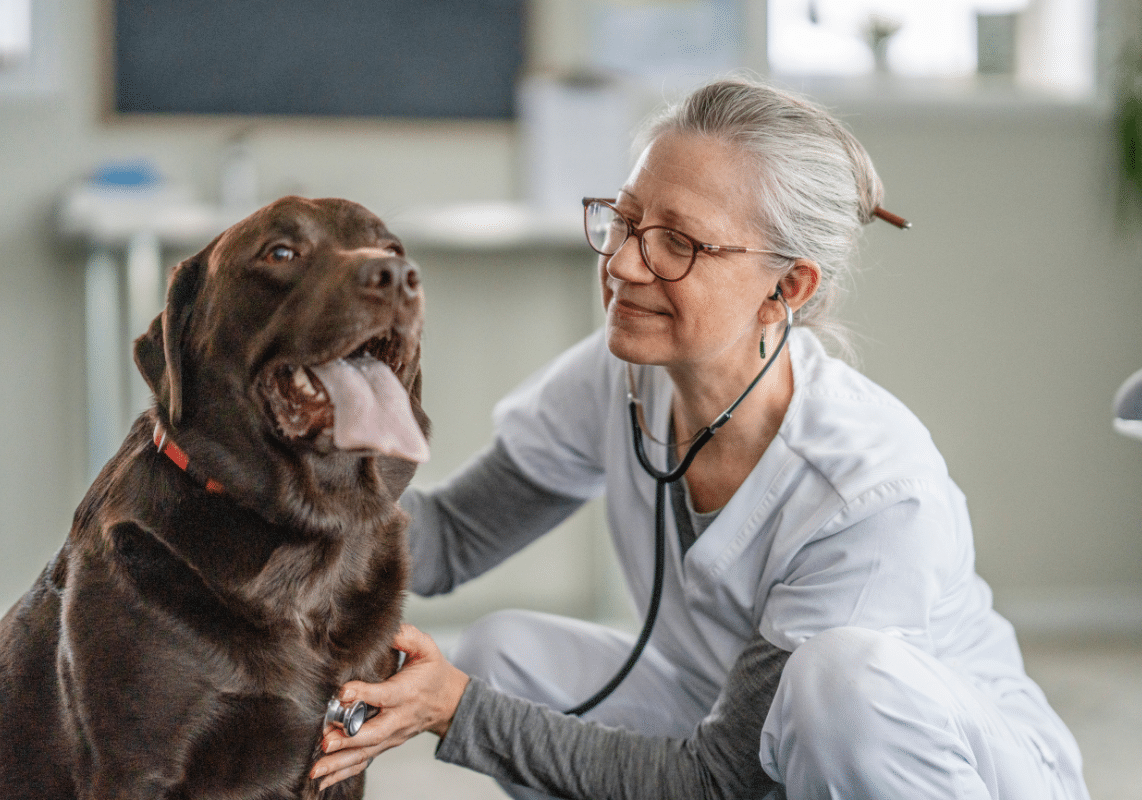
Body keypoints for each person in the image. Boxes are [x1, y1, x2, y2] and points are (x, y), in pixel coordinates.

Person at [310, 78, 1091, 799]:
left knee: (839, 681)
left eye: (677, 242)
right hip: (738, 727)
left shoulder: (871, 492)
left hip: (942, 768)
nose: (621, 263)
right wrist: (263, 505)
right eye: (623, 220)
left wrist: (456, 712)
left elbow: (720, 781)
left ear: (787, 287)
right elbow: (454, 536)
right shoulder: (619, 374)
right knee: (504, 654)